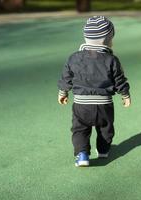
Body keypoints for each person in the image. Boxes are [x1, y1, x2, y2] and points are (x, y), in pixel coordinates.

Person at [57, 16, 131, 167]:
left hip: (81, 105)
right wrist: (125, 94)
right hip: (104, 104)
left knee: (80, 130)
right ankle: (103, 149)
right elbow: (119, 79)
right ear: (107, 40)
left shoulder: (74, 58)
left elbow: (67, 76)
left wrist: (63, 92)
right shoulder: (112, 60)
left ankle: (82, 154)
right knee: (105, 128)